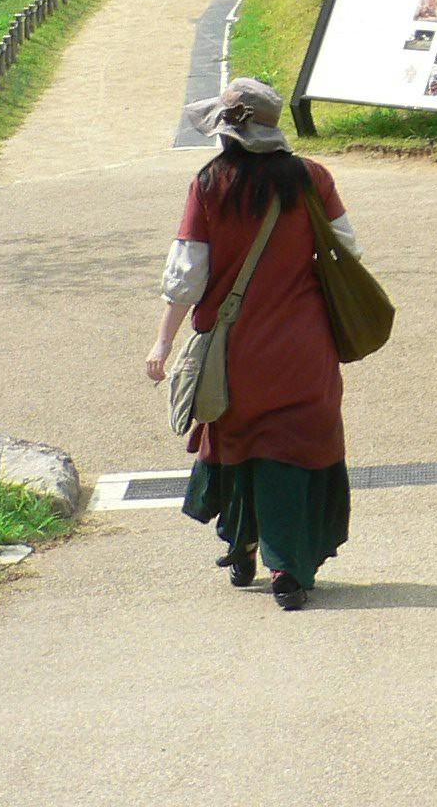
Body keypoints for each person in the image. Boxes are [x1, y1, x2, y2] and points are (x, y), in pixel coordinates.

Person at [144, 77, 357, 610]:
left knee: (237, 440)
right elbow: (346, 248)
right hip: (305, 346)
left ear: (227, 132)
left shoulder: (210, 184)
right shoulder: (313, 178)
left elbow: (186, 275)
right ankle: (290, 567)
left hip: (234, 349)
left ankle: (241, 543)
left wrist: (162, 342)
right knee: (297, 446)